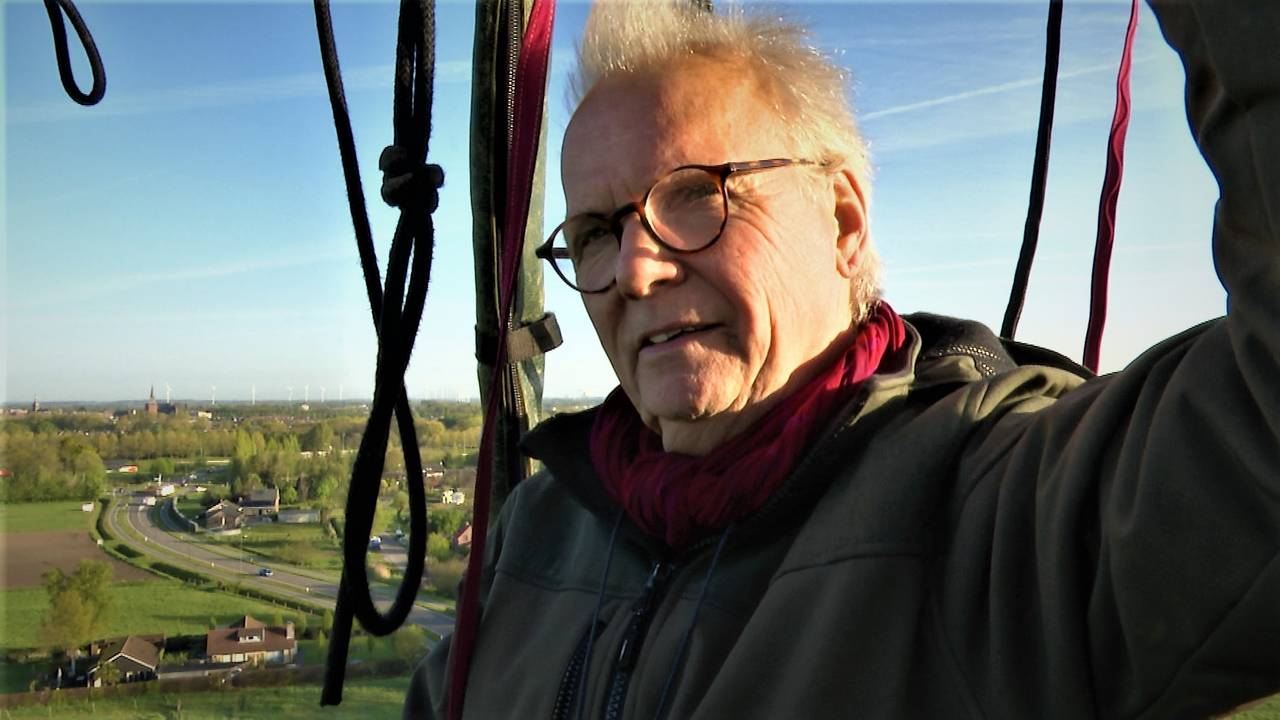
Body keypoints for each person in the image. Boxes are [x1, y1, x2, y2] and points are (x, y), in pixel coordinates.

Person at [405, 0, 1280, 717]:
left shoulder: (1006, 521)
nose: (635, 269)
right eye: (597, 231)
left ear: (845, 222)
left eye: (692, 195)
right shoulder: (542, 528)